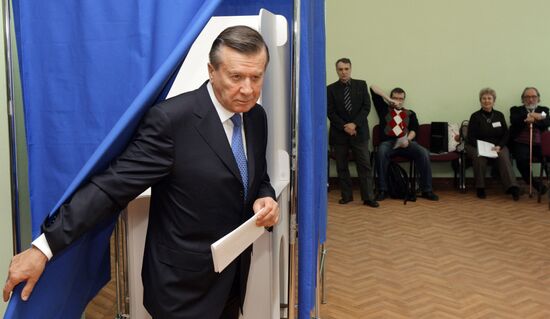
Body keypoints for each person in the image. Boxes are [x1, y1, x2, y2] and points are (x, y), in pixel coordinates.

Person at [3, 26, 280, 319]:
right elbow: (111, 188)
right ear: (212, 71)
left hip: (233, 277)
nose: (248, 89)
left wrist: (265, 196)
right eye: (236, 77)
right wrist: (43, 248)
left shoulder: (255, 117)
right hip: (182, 290)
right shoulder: (171, 121)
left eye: (256, 77)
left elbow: (255, 177)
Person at [370, 85, 439, 201]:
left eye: (400, 98)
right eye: (395, 98)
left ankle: (427, 190)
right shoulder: (383, 109)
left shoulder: (410, 113)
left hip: (406, 143)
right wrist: (389, 100)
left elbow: (414, 129)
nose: (398, 101)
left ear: (404, 100)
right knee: (381, 152)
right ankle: (383, 189)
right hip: (388, 143)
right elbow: (372, 88)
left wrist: (408, 140)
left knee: (423, 152)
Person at [327, 58, 379, 208]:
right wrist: (345, 126)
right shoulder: (330, 89)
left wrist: (354, 124)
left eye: (346, 69)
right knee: (342, 167)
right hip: (339, 133)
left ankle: (368, 197)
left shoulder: (361, 85)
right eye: (340, 69)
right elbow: (330, 112)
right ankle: (347, 196)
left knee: (364, 165)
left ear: (351, 69)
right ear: (336, 70)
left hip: (359, 132)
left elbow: (366, 107)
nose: (343, 72)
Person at [466, 87, 519, 200]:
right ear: (480, 101)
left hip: (497, 145)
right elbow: (470, 137)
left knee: (504, 156)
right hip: (478, 145)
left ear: (494, 100)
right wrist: (482, 148)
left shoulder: (499, 115)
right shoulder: (475, 116)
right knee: (479, 158)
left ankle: (512, 187)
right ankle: (480, 187)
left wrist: (500, 146)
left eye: (489, 98)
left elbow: (506, 134)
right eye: (484, 98)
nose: (486, 101)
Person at [509, 87, 550, 194]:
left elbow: (546, 123)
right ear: (523, 99)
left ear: (538, 98)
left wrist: (534, 120)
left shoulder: (544, 109)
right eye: (527, 97)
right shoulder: (515, 109)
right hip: (521, 142)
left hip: (540, 142)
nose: (530, 99)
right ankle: (537, 185)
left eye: (533, 97)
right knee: (521, 160)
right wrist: (531, 115)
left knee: (548, 158)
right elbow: (514, 120)